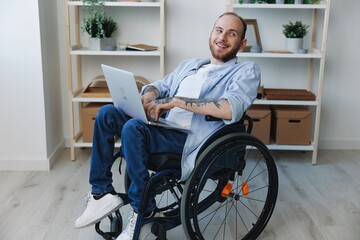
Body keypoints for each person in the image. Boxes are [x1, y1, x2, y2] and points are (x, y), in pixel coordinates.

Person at [75, 12, 261, 240]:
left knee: (133, 128)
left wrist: (176, 101)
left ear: (241, 43)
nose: (222, 37)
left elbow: (231, 108)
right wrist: (149, 96)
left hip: (192, 141)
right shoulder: (192, 65)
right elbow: (160, 85)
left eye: (231, 34)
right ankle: (100, 192)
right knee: (107, 114)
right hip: (162, 128)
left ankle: (143, 210)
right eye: (219, 30)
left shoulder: (245, 71)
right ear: (211, 34)